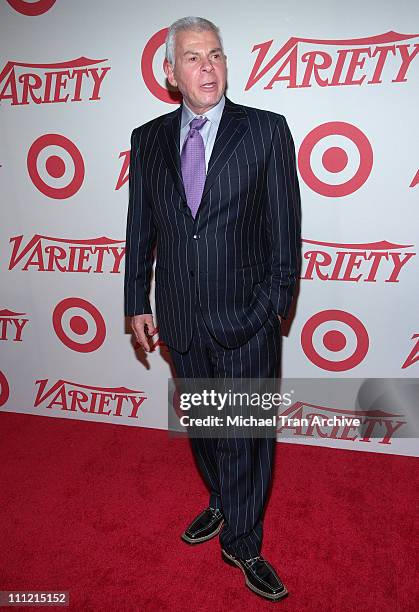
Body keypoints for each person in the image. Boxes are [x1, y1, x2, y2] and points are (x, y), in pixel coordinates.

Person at [124, 16, 301, 602]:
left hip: (247, 317)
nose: (208, 66)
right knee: (203, 423)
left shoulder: (265, 130)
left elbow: (285, 231)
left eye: (216, 55)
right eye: (193, 58)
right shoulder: (146, 138)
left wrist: (273, 306)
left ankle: (245, 543)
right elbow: (140, 231)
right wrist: (136, 302)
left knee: (248, 432)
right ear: (170, 73)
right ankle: (222, 500)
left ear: (227, 65)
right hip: (178, 316)